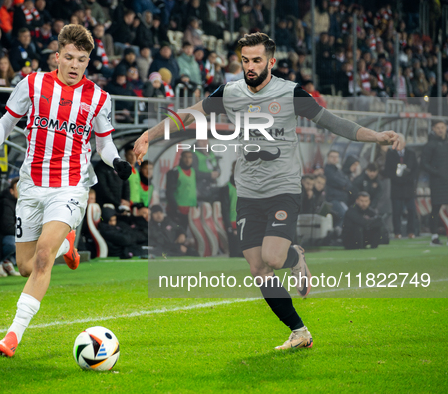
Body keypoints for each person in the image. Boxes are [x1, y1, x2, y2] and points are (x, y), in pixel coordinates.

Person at [133, 32, 405, 350]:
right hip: (248, 191)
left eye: (257, 60)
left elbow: (333, 122)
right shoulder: (230, 92)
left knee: (272, 257)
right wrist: (148, 135)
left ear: (271, 62)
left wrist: (376, 136)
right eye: (245, 60)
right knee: (257, 268)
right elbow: (188, 115)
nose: (250, 66)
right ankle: (299, 331)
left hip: (283, 188)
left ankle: (293, 256)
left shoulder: (290, 93)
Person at [0, 24, 132, 357]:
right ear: (57, 56)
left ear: (89, 63)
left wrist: (117, 162)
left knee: (43, 256)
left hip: (70, 185)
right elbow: (5, 122)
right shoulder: (31, 84)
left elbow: (104, 144)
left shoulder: (98, 98)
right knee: (27, 266)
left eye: (82, 60)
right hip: (30, 186)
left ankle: (13, 335)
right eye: (69, 57)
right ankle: (67, 247)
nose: (74, 65)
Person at [421, 121, 448, 245]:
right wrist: (437, 172)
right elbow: (424, 163)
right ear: (433, 129)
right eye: (438, 128)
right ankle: (434, 235)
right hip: (437, 182)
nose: (441, 130)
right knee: (435, 208)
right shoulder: (430, 145)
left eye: (442, 127)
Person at [384, 147, 419, 239]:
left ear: (404, 143)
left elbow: (416, 168)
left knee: (411, 210)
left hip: (409, 187)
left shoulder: (411, 153)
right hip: (396, 187)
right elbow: (387, 170)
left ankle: (411, 231)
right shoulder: (390, 154)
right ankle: (397, 232)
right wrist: (397, 179)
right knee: (396, 211)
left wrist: (408, 178)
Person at [165, 151, 197, 230]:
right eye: (185, 157)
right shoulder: (174, 172)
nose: (188, 159)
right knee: (176, 233)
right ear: (181, 158)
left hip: (190, 209)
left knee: (185, 233)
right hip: (177, 209)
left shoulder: (193, 171)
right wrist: (175, 209)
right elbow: (169, 192)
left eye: (190, 157)